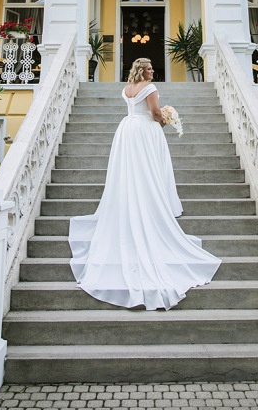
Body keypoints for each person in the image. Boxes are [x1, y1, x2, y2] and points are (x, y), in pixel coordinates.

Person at [68, 57, 221, 310]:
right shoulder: (150, 89)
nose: (153, 71)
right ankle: (148, 204)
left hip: (127, 129)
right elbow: (154, 113)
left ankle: (134, 199)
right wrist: (165, 120)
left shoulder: (127, 89)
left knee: (132, 170)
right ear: (142, 70)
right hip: (145, 131)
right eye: (150, 68)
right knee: (147, 169)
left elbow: (137, 109)